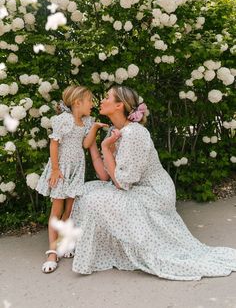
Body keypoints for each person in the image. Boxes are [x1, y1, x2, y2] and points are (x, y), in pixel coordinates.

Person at [71, 85, 236, 280]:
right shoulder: (114, 131)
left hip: (154, 192)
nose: (102, 101)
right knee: (86, 191)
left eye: (107, 97)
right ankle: (104, 252)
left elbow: (121, 184)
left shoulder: (134, 134)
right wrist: (95, 147)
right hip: (131, 186)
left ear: (118, 106)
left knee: (95, 199)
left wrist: (107, 149)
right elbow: (105, 177)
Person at [36, 85, 107, 273]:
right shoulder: (63, 120)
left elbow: (85, 144)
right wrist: (56, 169)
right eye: (90, 101)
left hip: (76, 170)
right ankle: (52, 252)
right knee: (57, 211)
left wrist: (95, 128)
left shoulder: (85, 122)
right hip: (61, 170)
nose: (92, 104)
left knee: (69, 210)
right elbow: (54, 144)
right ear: (77, 102)